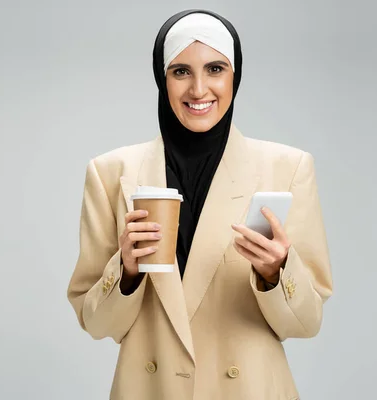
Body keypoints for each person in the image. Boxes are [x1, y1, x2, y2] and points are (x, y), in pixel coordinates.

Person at [66, 9, 333, 400]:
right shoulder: (110, 173)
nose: (198, 89)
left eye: (215, 69)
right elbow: (97, 324)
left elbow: (306, 324)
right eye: (180, 71)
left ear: (234, 76)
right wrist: (125, 272)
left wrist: (277, 272)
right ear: (162, 78)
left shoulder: (287, 169)